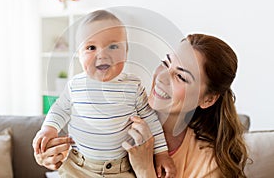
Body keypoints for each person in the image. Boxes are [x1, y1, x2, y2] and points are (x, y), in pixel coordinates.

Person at [34, 33, 249, 178]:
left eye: (181, 77)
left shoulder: (207, 163)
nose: (163, 77)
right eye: (166, 63)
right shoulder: (118, 106)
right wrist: (50, 154)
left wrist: (145, 169)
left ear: (208, 99)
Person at [33, 10, 175, 178]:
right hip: (78, 166)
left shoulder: (133, 86)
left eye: (113, 46)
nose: (102, 54)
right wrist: (48, 129)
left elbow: (151, 120)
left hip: (120, 169)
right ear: (79, 55)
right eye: (91, 47)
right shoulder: (75, 85)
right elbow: (59, 109)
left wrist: (161, 154)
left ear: (126, 52)